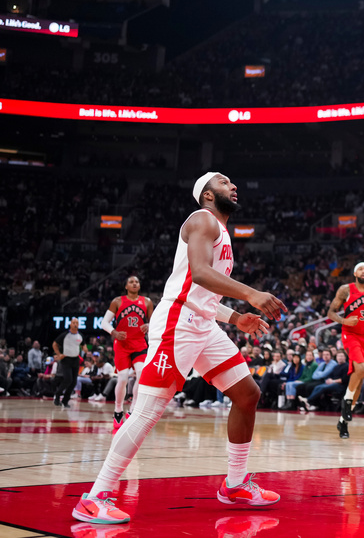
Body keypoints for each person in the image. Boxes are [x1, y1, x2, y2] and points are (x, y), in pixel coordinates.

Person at [71, 172, 285, 525]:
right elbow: (199, 274)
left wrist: (236, 319)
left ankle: (235, 484)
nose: (233, 186)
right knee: (147, 411)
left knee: (247, 394)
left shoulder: (221, 230)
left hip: (202, 324)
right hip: (177, 325)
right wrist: (251, 294)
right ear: (207, 195)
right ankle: (95, 497)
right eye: (223, 181)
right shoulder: (202, 220)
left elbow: (203, 294)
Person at [326, 263, 364, 439]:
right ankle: (346, 403)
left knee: (359, 382)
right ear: (354, 273)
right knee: (359, 369)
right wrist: (344, 321)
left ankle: (343, 423)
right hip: (350, 334)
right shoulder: (345, 290)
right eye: (360, 269)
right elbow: (331, 312)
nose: (363, 271)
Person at [101, 276, 153, 432]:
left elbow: (155, 321)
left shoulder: (147, 302)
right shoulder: (117, 301)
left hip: (139, 344)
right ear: (126, 286)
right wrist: (114, 332)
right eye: (131, 281)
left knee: (142, 373)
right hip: (122, 344)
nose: (135, 283)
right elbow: (104, 322)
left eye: (137, 281)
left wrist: (149, 325)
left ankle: (133, 409)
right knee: (122, 378)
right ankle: (118, 411)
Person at [52, 319, 84, 407]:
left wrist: (85, 348)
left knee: (73, 382)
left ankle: (65, 401)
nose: (75, 324)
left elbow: (83, 344)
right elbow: (54, 344)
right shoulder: (65, 335)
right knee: (68, 380)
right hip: (66, 360)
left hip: (76, 360)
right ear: (70, 324)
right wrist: (59, 354)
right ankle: (57, 396)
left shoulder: (80, 335)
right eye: (73, 323)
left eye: (77, 323)